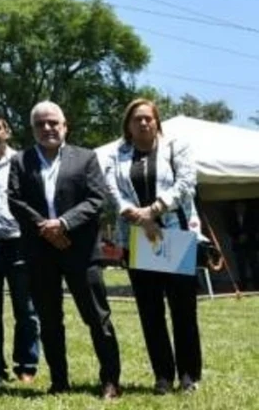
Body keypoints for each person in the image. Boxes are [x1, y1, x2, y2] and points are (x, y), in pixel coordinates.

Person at [8, 100, 122, 400]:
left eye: (53, 122)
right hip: (40, 251)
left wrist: (63, 224)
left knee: (97, 317)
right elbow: (15, 201)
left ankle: (110, 380)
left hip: (80, 251)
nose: (47, 128)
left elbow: (96, 199)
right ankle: (59, 380)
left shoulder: (85, 158)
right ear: (32, 129)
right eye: (40, 124)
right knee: (48, 319)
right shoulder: (21, 161)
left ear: (64, 125)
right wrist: (46, 228)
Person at [104, 98, 202, 394]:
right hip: (138, 238)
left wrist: (154, 210)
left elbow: (187, 184)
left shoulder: (176, 146)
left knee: (183, 310)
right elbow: (112, 190)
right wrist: (136, 215)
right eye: (137, 119)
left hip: (175, 235)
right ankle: (163, 376)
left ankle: (188, 375)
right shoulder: (117, 155)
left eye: (148, 118)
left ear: (157, 121)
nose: (144, 123)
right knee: (150, 312)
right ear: (128, 126)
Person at [0, 111, 40, 384]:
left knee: (25, 309)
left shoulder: (23, 162)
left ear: (8, 131)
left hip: (18, 242)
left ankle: (26, 365)